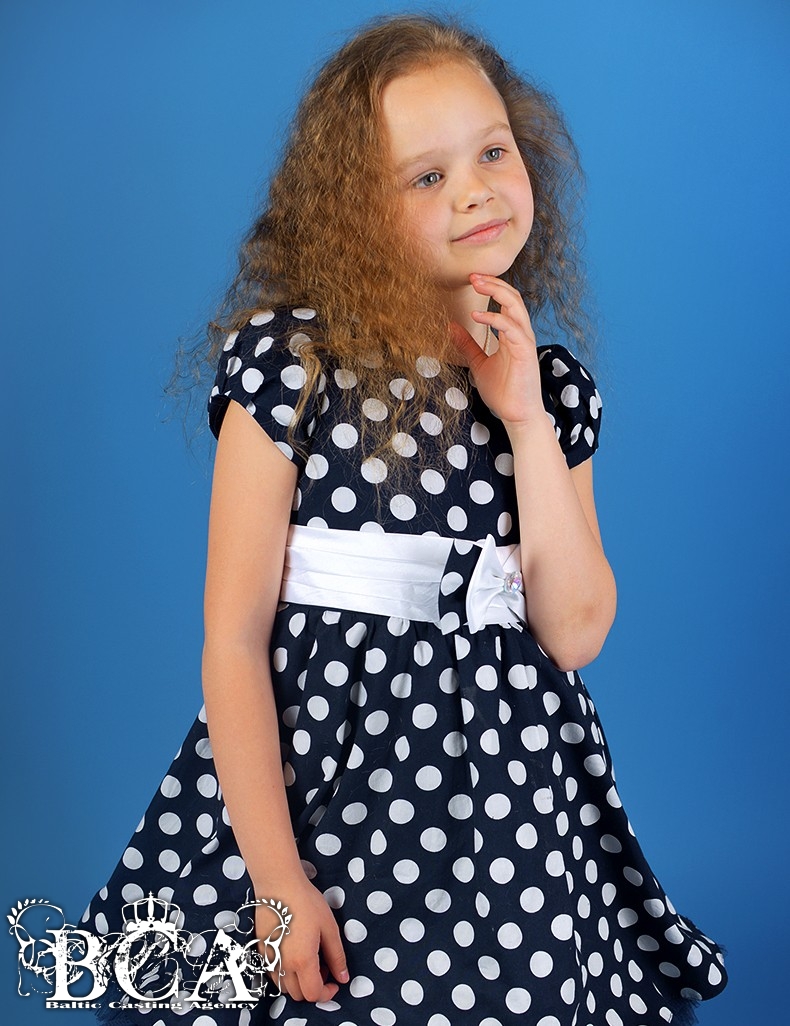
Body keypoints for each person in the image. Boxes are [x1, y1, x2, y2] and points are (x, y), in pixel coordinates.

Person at [83, 13, 728, 1026]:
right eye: (426, 176)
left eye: (492, 152)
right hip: (328, 783)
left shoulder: (551, 390)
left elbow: (573, 631)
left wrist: (525, 419)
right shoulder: (292, 366)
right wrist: (276, 883)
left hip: (504, 795)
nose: (474, 190)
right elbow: (233, 636)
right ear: (354, 211)